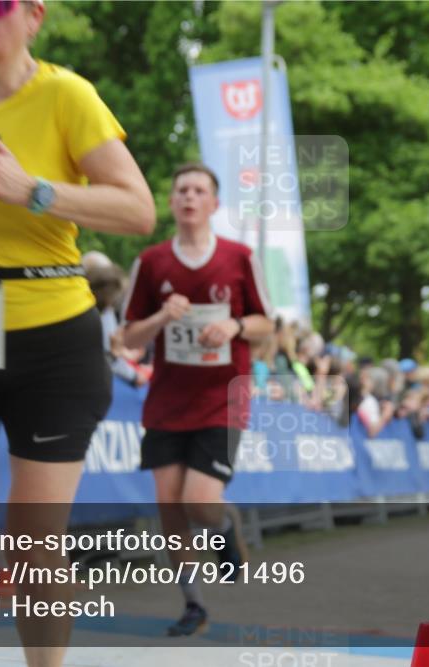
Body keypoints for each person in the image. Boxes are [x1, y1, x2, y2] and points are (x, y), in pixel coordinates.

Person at [0, 1, 155, 665]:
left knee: (32, 548)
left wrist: (34, 190)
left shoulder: (68, 96)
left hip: (54, 341)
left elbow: (138, 209)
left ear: (34, 16)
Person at [121, 162, 272, 637]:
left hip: (223, 398)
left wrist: (234, 325)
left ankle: (222, 525)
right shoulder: (151, 262)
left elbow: (267, 323)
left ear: (214, 203)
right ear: (171, 202)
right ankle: (194, 605)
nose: (189, 196)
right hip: (168, 400)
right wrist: (161, 318)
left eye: (199, 190)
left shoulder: (239, 257)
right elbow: (127, 338)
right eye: (182, 189)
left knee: (199, 503)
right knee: (170, 507)